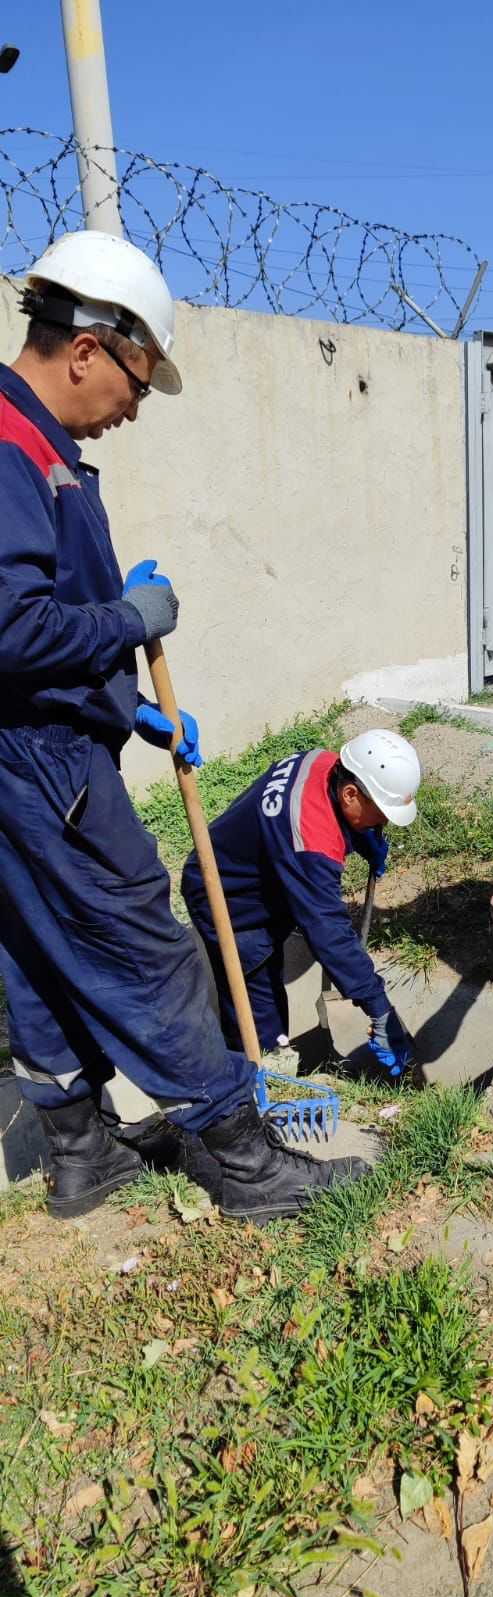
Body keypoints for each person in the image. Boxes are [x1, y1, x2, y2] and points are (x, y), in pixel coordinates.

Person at [0, 230, 366, 1224]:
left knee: (35, 948)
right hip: (43, 765)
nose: (133, 408)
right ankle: (241, 1160)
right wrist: (130, 621)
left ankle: (82, 1153)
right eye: (135, 381)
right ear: (87, 348)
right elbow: (11, 630)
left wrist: (135, 707)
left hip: (32, 750)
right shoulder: (12, 448)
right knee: (148, 949)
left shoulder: (38, 446)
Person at [181, 729, 421, 1078]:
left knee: (265, 980)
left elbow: (317, 818)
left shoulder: (323, 762)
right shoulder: (310, 842)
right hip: (226, 899)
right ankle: (254, 1082)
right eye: (381, 812)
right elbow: (328, 931)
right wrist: (378, 1007)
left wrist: (362, 836)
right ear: (350, 794)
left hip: (253, 867)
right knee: (257, 1008)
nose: (384, 821)